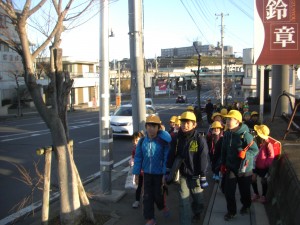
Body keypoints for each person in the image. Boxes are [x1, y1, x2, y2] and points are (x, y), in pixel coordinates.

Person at [167, 111, 209, 225]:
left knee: (198, 200)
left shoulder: (199, 139)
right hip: (183, 176)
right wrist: (168, 169)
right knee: (183, 202)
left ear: (194, 124)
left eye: (188, 123)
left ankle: (197, 212)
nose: (185, 125)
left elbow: (204, 158)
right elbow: (171, 155)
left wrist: (203, 175)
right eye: (183, 122)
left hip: (196, 175)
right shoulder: (176, 138)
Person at [132, 115, 172, 225]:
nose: (151, 128)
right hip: (147, 174)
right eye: (149, 126)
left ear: (158, 127)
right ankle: (150, 218)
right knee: (147, 197)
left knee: (158, 196)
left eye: (154, 126)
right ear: (146, 126)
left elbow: (166, 158)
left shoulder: (162, 141)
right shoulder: (142, 142)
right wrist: (136, 173)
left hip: (159, 174)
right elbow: (138, 158)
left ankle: (162, 206)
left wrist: (165, 173)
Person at [220, 110, 259, 221]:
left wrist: (245, 155)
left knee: (245, 191)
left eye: (230, 119)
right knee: (229, 191)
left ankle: (246, 206)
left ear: (237, 122)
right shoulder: (227, 133)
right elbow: (224, 150)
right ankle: (231, 212)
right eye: (227, 119)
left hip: (245, 169)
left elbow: (255, 150)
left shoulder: (245, 135)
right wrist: (223, 163)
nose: (227, 121)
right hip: (231, 167)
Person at [251, 125, 275, 203]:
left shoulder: (268, 144)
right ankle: (256, 193)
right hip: (255, 164)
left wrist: (266, 164)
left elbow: (271, 155)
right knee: (253, 179)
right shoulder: (256, 140)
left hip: (263, 166)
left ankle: (263, 195)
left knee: (263, 181)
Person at [130, 131, 145, 208]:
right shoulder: (134, 150)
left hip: (146, 171)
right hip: (138, 171)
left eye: (137, 140)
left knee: (145, 187)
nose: (135, 142)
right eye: (134, 141)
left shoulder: (145, 148)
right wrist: (131, 160)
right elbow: (133, 157)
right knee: (138, 186)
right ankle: (137, 200)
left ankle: (145, 201)